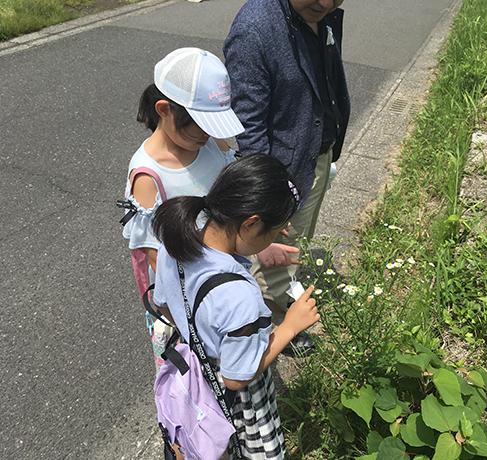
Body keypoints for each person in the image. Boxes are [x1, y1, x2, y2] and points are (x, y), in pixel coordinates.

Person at [121, 47, 297, 370]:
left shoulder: (213, 143)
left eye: (214, 125)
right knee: (191, 378)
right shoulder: (148, 175)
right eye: (200, 125)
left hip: (220, 284)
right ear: (164, 109)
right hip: (184, 302)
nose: (209, 134)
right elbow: (161, 260)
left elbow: (229, 212)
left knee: (228, 366)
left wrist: (260, 242)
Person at [151, 154, 320, 459]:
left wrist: (259, 246)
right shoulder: (241, 296)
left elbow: (164, 304)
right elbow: (237, 376)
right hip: (236, 400)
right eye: (274, 229)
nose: (277, 234)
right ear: (251, 223)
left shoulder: (177, 240)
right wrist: (290, 326)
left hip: (192, 370)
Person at [223, 0, 350, 355]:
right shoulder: (256, 28)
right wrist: (267, 198)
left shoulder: (318, 15)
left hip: (316, 156)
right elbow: (248, 126)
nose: (325, 3)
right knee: (273, 257)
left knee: (295, 247)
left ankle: (282, 312)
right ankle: (275, 329)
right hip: (283, 175)